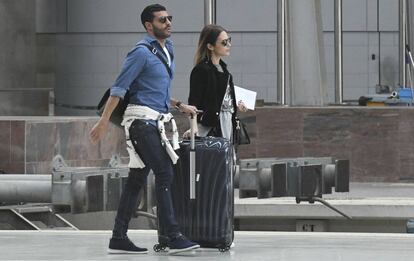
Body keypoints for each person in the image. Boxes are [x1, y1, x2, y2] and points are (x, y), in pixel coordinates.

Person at [89, 4, 200, 255]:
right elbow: (119, 88)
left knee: (136, 181)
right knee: (164, 172)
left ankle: (118, 237)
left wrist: (179, 104)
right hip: (140, 123)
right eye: (163, 20)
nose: (169, 22)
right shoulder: (140, 52)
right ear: (149, 26)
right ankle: (172, 235)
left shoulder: (167, 49)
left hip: (154, 121)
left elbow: (156, 90)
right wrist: (104, 121)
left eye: (170, 18)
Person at [186, 24, 247, 142]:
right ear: (210, 46)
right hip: (211, 126)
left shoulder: (224, 70)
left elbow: (221, 99)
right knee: (215, 158)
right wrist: (193, 127)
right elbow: (193, 102)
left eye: (229, 40)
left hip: (228, 122)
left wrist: (236, 106)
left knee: (226, 158)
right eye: (224, 42)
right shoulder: (201, 70)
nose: (229, 45)